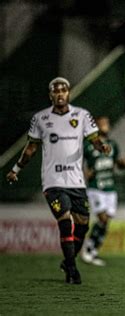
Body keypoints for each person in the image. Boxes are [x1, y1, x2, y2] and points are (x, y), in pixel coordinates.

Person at [5, 77, 110, 284]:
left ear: (69, 93)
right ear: (50, 95)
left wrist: (101, 147)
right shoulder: (40, 119)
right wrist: (16, 168)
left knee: (83, 225)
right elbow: (31, 148)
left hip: (77, 182)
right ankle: (71, 268)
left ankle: (67, 261)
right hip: (53, 182)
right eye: (56, 91)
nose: (60, 94)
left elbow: (94, 140)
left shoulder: (82, 116)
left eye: (63, 90)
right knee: (64, 221)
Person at [81, 116, 125, 266]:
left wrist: (123, 164)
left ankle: (94, 250)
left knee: (106, 220)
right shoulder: (89, 145)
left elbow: (116, 164)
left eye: (107, 123)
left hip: (110, 187)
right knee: (102, 218)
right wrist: (84, 173)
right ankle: (88, 248)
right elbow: (78, 163)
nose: (106, 126)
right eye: (103, 124)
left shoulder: (112, 145)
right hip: (96, 187)